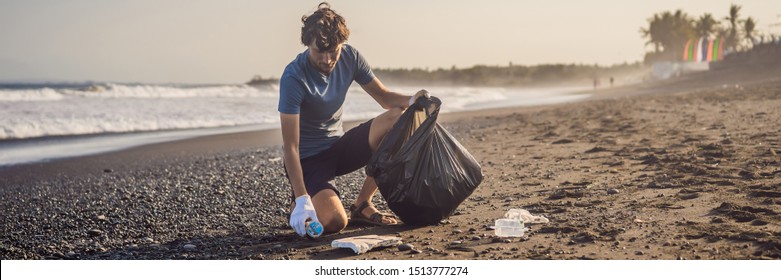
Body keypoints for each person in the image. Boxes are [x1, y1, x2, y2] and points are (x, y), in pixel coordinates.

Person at [278, 2, 429, 237]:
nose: (328, 60)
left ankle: (362, 204)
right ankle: (300, 205)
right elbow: (291, 147)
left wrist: (414, 99)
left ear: (342, 45)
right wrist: (301, 198)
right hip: (309, 160)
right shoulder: (293, 77)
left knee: (398, 118)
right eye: (320, 52)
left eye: (334, 52)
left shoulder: (350, 57)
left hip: (339, 147)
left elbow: (385, 98)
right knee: (335, 222)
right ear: (308, 44)